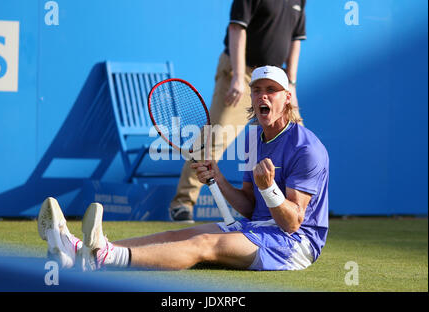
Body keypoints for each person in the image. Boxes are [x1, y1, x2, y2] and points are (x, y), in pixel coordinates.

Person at [38, 65, 329, 271]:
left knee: (204, 243)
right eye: (258, 90)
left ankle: (104, 259)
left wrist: (270, 189)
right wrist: (218, 179)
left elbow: (292, 223)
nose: (263, 96)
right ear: (251, 97)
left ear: (287, 97)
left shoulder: (306, 149)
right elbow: (251, 208)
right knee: (179, 234)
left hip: (295, 244)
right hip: (256, 228)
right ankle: (84, 250)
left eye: (273, 91)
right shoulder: (253, 138)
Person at [169, 0, 307, 222]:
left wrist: (290, 84)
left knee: (295, 136)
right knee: (214, 138)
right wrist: (237, 76)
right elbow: (236, 28)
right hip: (241, 73)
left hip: (276, 80)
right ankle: (182, 202)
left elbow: (295, 40)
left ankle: (293, 207)